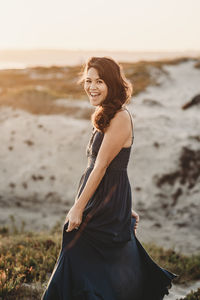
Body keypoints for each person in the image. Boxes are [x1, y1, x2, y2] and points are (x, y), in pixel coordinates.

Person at [41, 56, 177, 300]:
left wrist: (77, 208)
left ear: (112, 84)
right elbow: (101, 166)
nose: (92, 87)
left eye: (100, 81)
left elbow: (102, 167)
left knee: (79, 251)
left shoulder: (120, 117)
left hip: (105, 200)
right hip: (103, 196)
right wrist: (124, 207)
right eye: (88, 80)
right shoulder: (104, 112)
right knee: (94, 263)